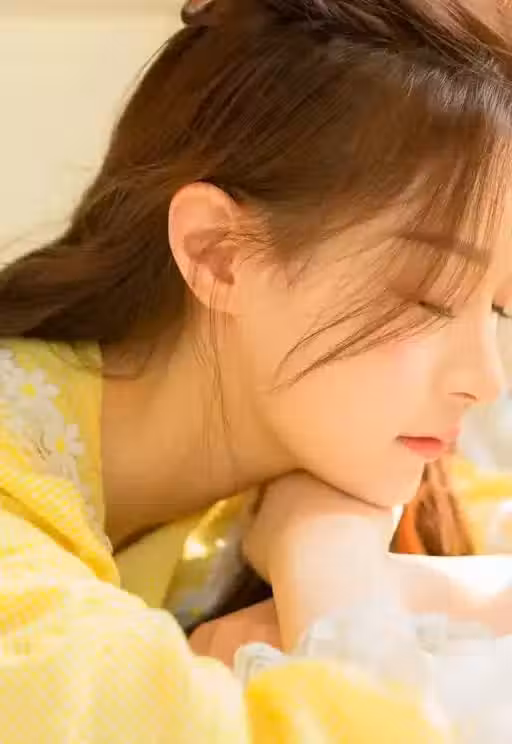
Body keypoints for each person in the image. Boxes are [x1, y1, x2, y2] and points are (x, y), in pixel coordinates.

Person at [1, 0, 512, 739]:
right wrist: (333, 571)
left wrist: (348, 551)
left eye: (498, 310)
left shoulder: (310, 470)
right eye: (430, 297)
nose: (487, 379)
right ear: (219, 255)